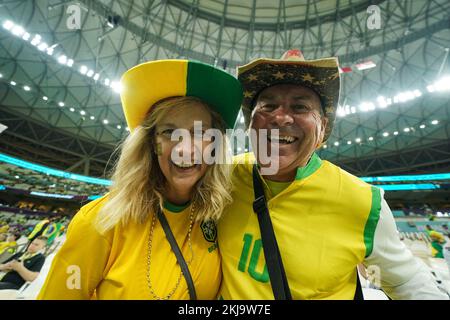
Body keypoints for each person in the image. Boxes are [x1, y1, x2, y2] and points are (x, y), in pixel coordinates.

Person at [218, 49, 448, 300]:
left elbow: (406, 283)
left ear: (323, 128)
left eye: (300, 106)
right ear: (250, 123)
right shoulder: (223, 176)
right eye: (268, 106)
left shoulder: (362, 202)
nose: (281, 117)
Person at [38, 59, 243, 299]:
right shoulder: (99, 222)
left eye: (199, 133)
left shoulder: (218, 215)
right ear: (150, 142)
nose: (185, 149)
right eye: (169, 132)